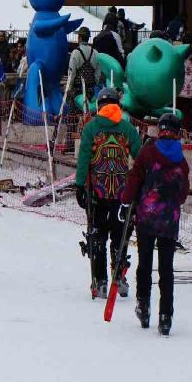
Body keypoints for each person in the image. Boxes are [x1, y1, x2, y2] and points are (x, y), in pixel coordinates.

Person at [121, 113, 189, 337]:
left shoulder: (148, 152)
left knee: (145, 263)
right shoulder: (181, 159)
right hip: (169, 220)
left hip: (146, 217)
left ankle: (144, 305)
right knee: (166, 268)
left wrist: (126, 202)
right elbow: (183, 192)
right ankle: (166, 315)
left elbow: (134, 179)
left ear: (160, 130)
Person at [74, 87, 141, 298]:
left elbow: (84, 158)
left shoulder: (91, 128)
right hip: (122, 193)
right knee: (120, 235)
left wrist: (79, 185)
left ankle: (100, 280)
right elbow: (139, 157)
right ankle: (119, 276)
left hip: (98, 191)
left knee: (98, 235)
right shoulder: (128, 128)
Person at [67, 27, 100, 102]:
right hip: (91, 92)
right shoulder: (95, 52)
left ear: (80, 38)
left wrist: (69, 88)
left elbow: (72, 73)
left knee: (76, 112)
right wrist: (93, 84)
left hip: (78, 92)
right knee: (90, 112)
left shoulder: (75, 53)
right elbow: (97, 73)